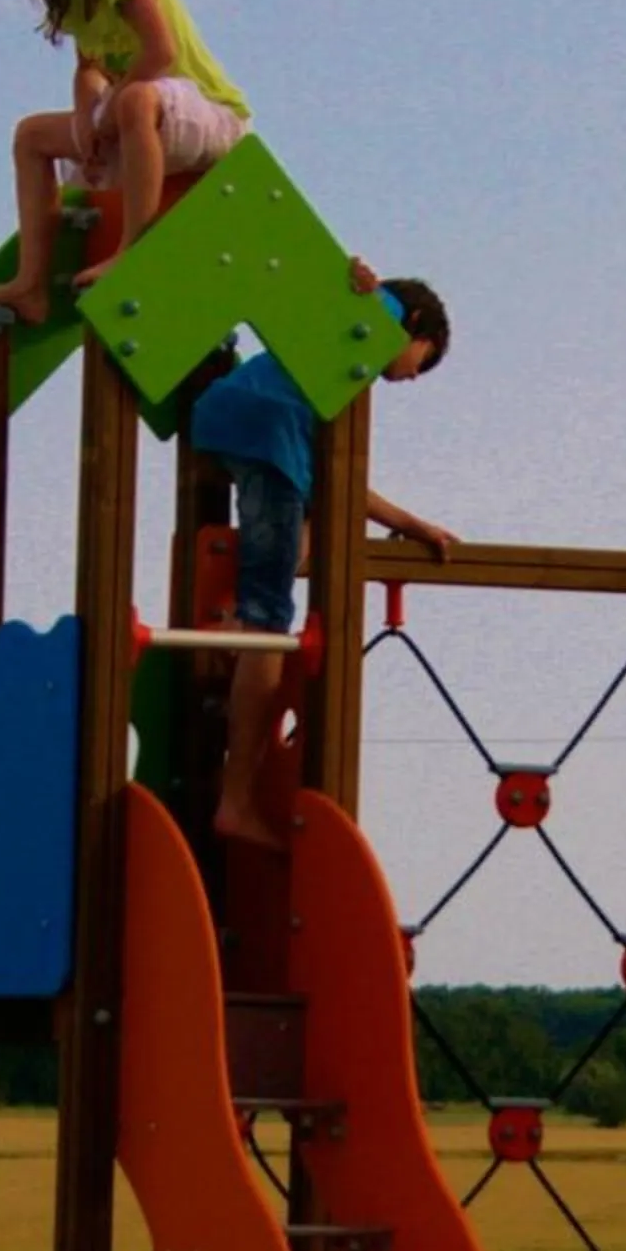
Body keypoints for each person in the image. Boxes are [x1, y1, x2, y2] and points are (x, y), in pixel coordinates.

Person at [196, 260, 457, 847]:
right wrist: (372, 293)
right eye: (426, 358)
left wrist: (414, 524)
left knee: (309, 525)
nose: (415, 376)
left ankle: (239, 618)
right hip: (266, 434)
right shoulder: (378, 323)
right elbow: (366, 298)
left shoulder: (323, 380)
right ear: (415, 327)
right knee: (270, 627)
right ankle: (235, 800)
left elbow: (344, 490)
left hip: (237, 420)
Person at [0, 0, 254, 323]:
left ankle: (131, 250)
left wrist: (109, 116)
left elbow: (161, 52)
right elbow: (89, 69)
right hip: (151, 120)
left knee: (135, 99)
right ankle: (31, 284)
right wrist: (86, 126)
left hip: (212, 118)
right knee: (32, 135)